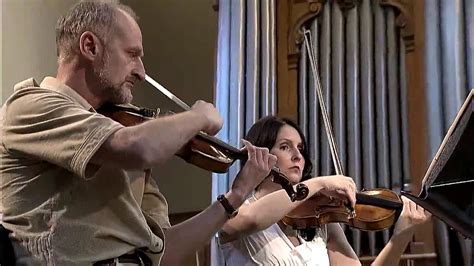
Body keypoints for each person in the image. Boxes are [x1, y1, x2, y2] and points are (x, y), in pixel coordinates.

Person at [0, 1, 285, 265]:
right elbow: (137, 148)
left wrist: (237, 195)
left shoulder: (121, 130)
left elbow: (165, 251)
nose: (141, 71)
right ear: (89, 46)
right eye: (132, 54)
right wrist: (197, 116)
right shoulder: (31, 105)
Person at [219, 116, 431, 266]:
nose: (298, 156)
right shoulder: (233, 210)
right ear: (262, 153)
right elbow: (252, 220)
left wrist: (401, 236)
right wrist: (319, 184)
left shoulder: (320, 222)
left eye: (300, 148)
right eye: (285, 147)